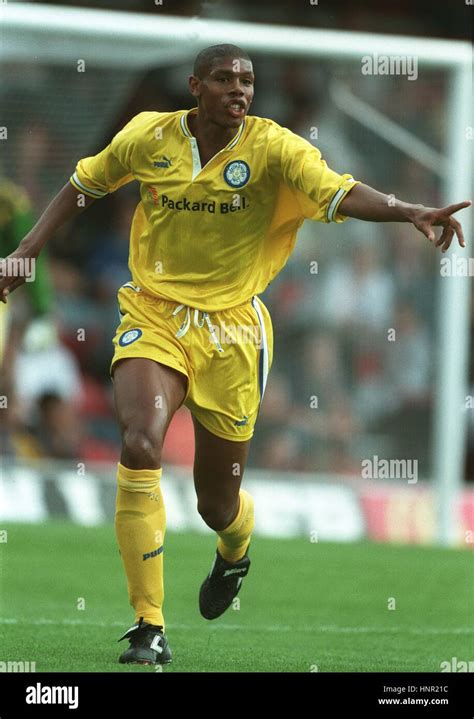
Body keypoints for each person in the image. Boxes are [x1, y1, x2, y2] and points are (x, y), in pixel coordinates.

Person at [0, 44, 469, 667]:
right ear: (197, 86)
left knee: (215, 503)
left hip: (233, 333)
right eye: (225, 78)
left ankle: (235, 550)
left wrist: (407, 209)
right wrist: (26, 250)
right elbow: (85, 185)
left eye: (247, 80)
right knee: (140, 443)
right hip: (154, 312)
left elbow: (339, 191)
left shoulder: (275, 149)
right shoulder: (150, 138)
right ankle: (149, 625)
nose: (239, 89)